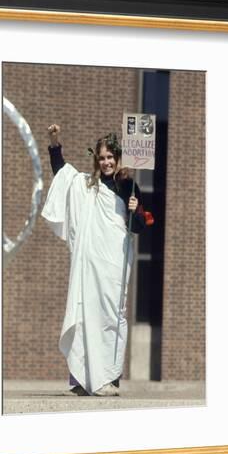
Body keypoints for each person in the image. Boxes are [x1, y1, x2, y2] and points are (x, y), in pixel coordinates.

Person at [41, 124, 147, 397]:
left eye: (110, 157)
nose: (106, 162)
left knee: (111, 316)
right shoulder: (87, 185)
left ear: (119, 158)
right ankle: (79, 380)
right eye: (101, 158)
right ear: (96, 160)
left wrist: (135, 210)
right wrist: (55, 142)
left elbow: (138, 228)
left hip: (113, 265)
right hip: (89, 265)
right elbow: (62, 172)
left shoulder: (128, 186)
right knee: (83, 311)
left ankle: (109, 379)